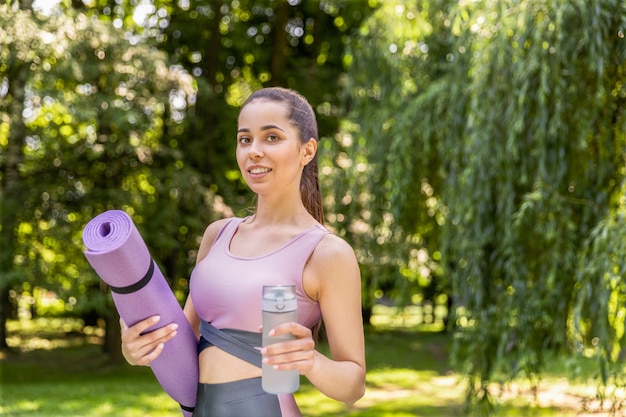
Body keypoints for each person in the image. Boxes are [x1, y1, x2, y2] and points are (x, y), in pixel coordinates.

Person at [120, 87, 366, 417]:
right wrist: (137, 347)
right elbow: (182, 340)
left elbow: (354, 385)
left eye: (272, 137)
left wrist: (311, 362)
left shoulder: (327, 253)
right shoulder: (218, 235)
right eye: (245, 139)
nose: (254, 151)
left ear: (307, 150)